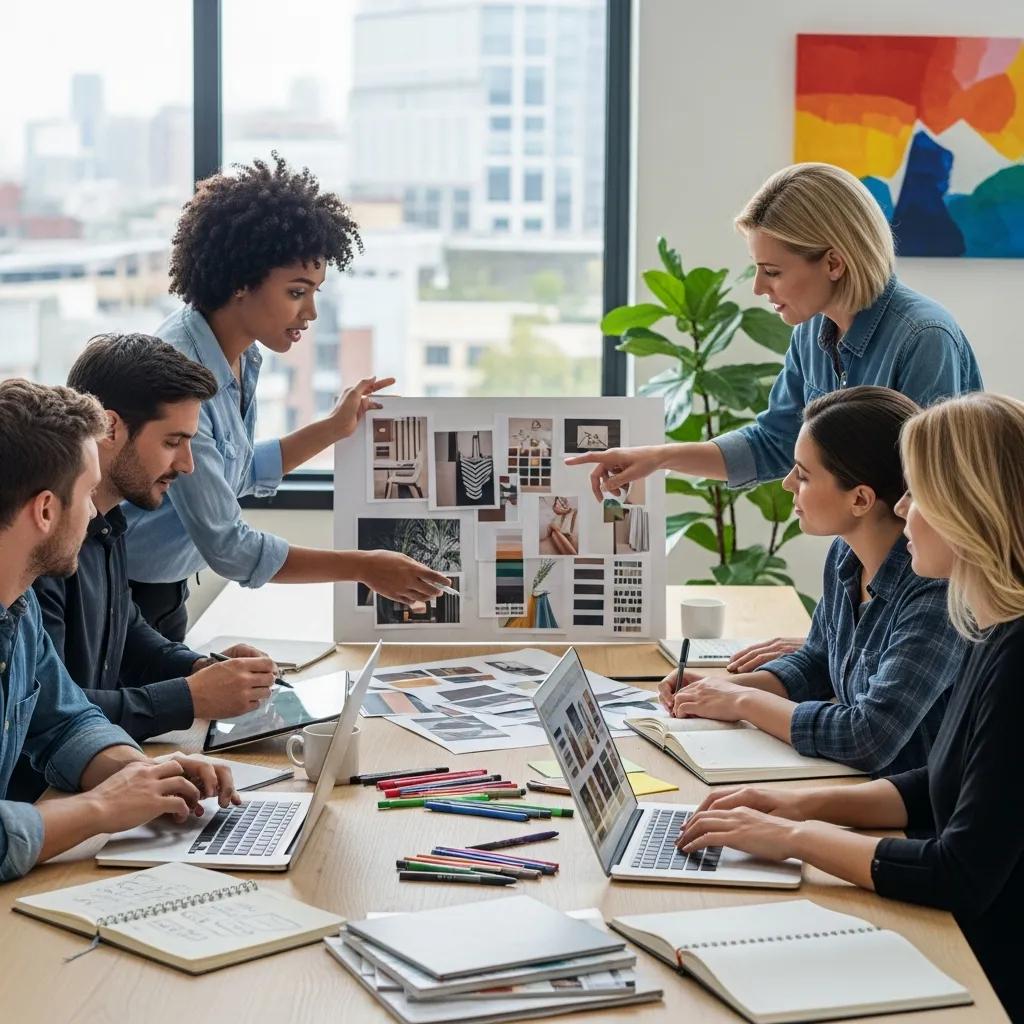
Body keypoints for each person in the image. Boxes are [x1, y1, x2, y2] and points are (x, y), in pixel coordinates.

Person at [677, 392, 1024, 1019]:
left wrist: (795, 836)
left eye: (917, 495)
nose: (903, 509)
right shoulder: (991, 622)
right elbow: (946, 782)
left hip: (987, 968)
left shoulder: (1014, 649)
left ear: (969, 512)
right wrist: (797, 804)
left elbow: (959, 874)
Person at [568, 162, 982, 669]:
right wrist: (657, 458)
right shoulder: (811, 331)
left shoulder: (923, 338)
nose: (759, 290)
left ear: (834, 262)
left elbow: (929, 504)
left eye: (773, 271)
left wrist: (837, 644)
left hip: (924, 614)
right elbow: (774, 441)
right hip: (861, 607)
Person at [123, 154, 449, 640]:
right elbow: (229, 547)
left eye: (315, 291)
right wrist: (364, 567)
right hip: (128, 598)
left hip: (163, 590)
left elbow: (233, 471)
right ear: (241, 281)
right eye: (297, 291)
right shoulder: (182, 371)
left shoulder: (239, 356)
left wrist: (331, 430)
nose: (312, 312)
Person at [0, 378, 238, 882]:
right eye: (87, 494)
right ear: (45, 510)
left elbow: (65, 721)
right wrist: (101, 808)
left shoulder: (18, 608)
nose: (94, 513)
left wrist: (142, 774)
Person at [657, 387, 966, 775]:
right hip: (850, 785)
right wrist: (721, 688)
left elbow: (867, 737)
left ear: (860, 500)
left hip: (904, 813)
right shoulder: (845, 554)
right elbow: (819, 661)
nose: (787, 483)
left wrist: (740, 700)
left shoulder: (934, 590)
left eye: (803, 475)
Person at [28, 336, 276, 748]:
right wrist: (190, 697)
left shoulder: (110, 521)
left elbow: (128, 632)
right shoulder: (44, 544)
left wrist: (198, 668)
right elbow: (52, 711)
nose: (187, 464)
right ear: (110, 429)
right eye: (172, 442)